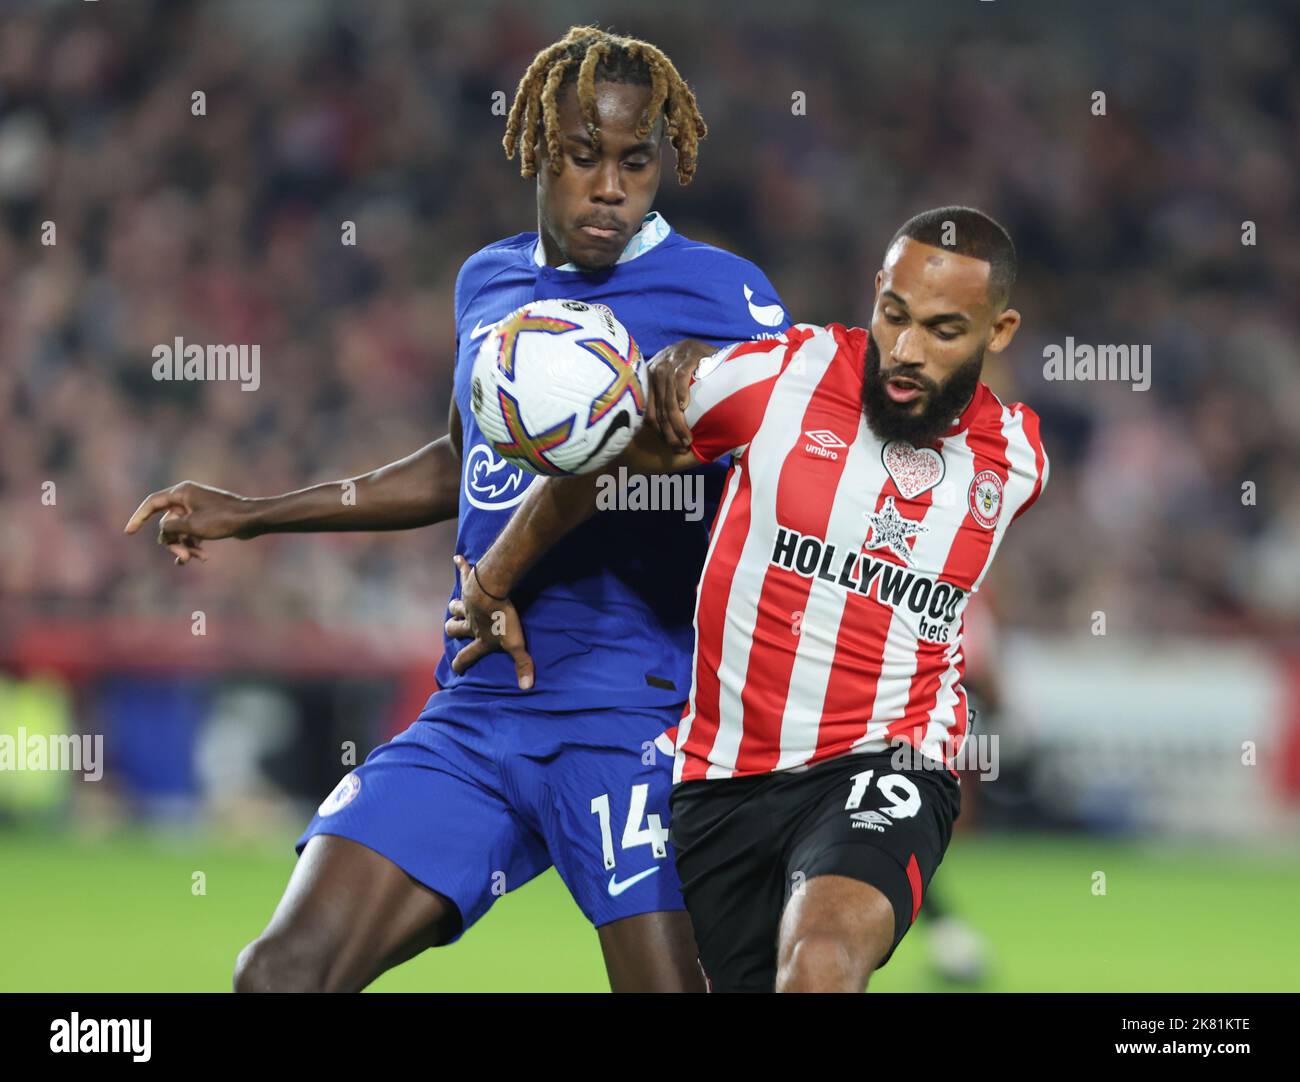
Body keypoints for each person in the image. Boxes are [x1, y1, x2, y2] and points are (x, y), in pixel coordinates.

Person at [124, 25, 789, 992]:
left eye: (636, 162)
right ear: (535, 149)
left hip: (636, 718)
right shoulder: (489, 282)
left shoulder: (724, 297)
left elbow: (793, 469)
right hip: (478, 707)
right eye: (582, 156)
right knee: (278, 976)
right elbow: (458, 466)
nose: (610, 186)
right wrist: (257, 511)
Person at [449, 206, 1049, 992]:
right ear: (875, 292)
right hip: (722, 779)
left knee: (822, 959)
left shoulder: (1018, 460)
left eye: (943, 331)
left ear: (997, 332)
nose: (904, 351)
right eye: (893, 315)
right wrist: (494, 578)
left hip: (888, 759)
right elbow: (607, 460)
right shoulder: (781, 376)